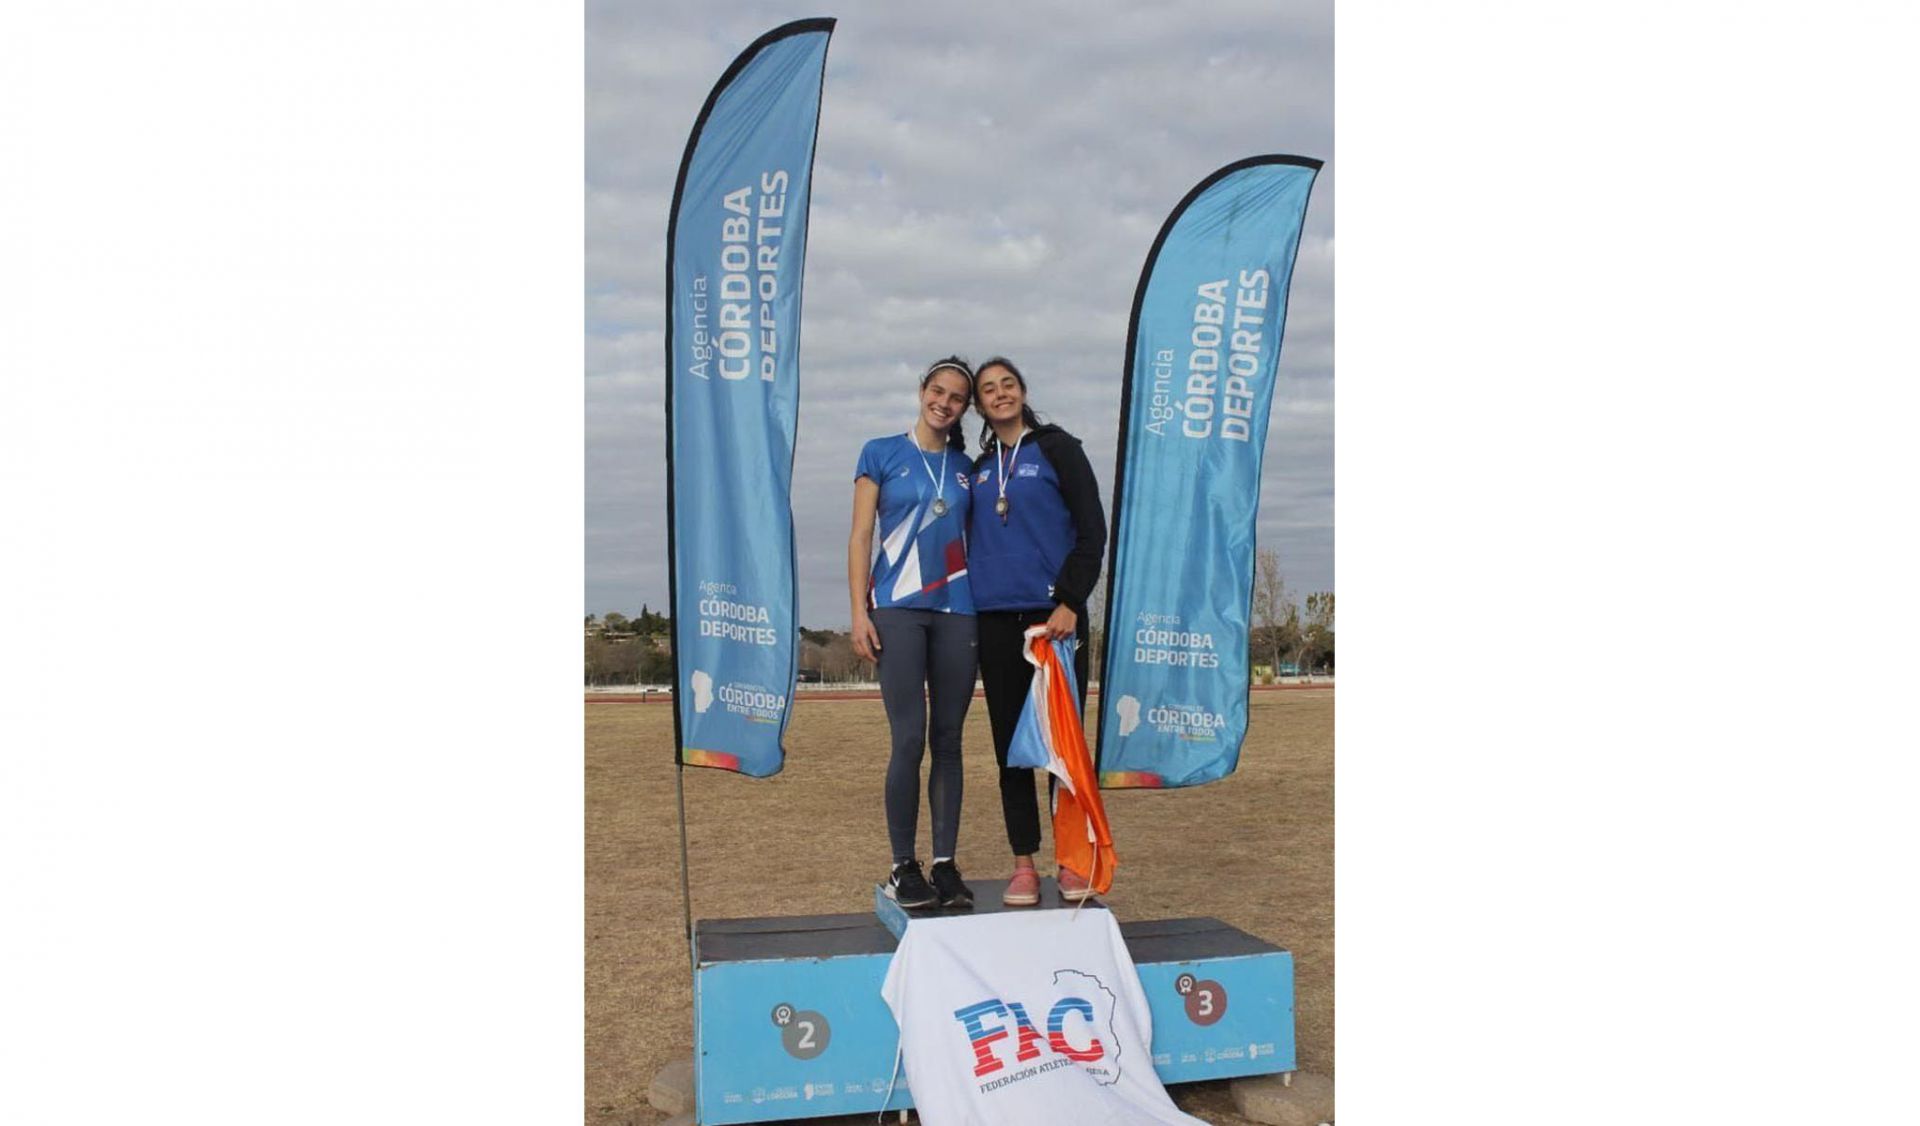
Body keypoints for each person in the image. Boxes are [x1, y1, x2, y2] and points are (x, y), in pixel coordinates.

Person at [966, 356, 1107, 906]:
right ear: (978, 405)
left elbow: (1091, 530)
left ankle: (1072, 862)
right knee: (1011, 749)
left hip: (1054, 622)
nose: (999, 394)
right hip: (996, 623)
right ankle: (1023, 864)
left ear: (1023, 391)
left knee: (1063, 749)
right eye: (988, 390)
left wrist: (1071, 599)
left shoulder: (1057, 448)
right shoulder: (978, 468)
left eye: (1008, 384)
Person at [848, 357, 980, 911]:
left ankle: (944, 863)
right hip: (898, 609)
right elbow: (859, 537)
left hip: (958, 610)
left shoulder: (968, 465)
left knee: (948, 741)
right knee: (909, 737)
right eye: (937, 390)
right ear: (921, 391)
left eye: (956, 398)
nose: (944, 403)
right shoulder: (880, 452)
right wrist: (860, 611)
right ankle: (904, 863)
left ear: (964, 409)